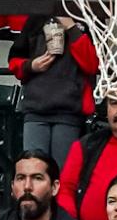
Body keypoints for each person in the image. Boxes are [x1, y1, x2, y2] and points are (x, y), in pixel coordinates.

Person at [9, 15, 99, 162]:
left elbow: (93, 64)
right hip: (35, 109)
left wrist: (72, 28)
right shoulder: (35, 19)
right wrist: (31, 65)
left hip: (69, 111)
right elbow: (14, 60)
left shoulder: (86, 19)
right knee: (34, 167)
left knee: (62, 171)